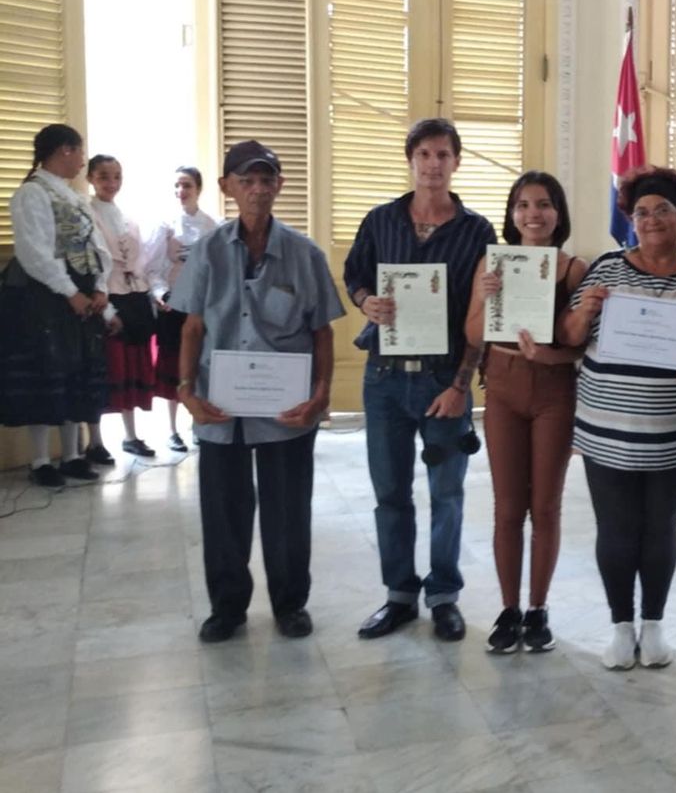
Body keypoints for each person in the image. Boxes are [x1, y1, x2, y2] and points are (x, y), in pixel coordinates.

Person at [169, 140, 343, 642]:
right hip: (219, 408)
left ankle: (290, 604)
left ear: (279, 187)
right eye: (247, 180)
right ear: (226, 187)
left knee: (288, 510)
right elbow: (192, 329)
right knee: (223, 512)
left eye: (267, 180)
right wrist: (186, 390)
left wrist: (321, 392)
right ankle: (227, 608)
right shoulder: (206, 252)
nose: (258, 189)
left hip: (286, 408)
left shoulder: (304, 254)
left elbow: (321, 332)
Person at [344, 117, 498, 642]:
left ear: (457, 162)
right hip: (384, 377)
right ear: (410, 160)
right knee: (390, 492)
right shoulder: (381, 220)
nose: (433, 165)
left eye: (443, 155)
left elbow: (482, 314)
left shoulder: (477, 232)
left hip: (442, 380)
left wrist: (461, 385)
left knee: (447, 493)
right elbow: (354, 276)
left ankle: (444, 596)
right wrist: (367, 301)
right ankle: (399, 595)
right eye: (424, 154)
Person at [559, 167, 676, 670]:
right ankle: (621, 626)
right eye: (641, 212)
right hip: (608, 427)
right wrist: (585, 311)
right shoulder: (605, 269)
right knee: (616, 528)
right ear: (630, 217)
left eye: (662, 210)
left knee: (660, 527)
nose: (651, 221)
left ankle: (654, 623)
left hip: (675, 429)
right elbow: (568, 338)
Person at [463, 170, 585, 654]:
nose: (534, 214)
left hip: (553, 390)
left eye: (544, 204)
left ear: (559, 214)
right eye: (523, 205)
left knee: (546, 506)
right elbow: (474, 334)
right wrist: (487, 297)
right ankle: (509, 608)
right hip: (504, 389)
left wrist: (548, 355)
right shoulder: (490, 265)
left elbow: (579, 347)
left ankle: (538, 609)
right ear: (511, 215)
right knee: (508, 507)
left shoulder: (575, 269)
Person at [0, 124, 114, 488]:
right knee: (45, 375)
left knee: (76, 373)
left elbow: (97, 247)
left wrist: (98, 287)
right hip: (44, 297)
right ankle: (39, 460)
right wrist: (69, 291)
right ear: (64, 150)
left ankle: (72, 455)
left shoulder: (72, 195)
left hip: (79, 293)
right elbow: (34, 253)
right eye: (79, 151)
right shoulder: (32, 194)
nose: (82, 160)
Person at [84, 154, 161, 461]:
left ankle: (131, 435)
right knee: (104, 370)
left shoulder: (127, 217)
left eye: (116, 176)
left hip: (133, 296)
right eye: (104, 176)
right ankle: (95, 440)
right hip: (104, 297)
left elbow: (140, 261)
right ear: (90, 178)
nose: (111, 183)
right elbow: (88, 263)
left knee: (130, 369)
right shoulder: (86, 213)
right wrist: (101, 304)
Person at [145, 167, 219, 453]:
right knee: (174, 367)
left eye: (186, 185)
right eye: (176, 185)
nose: (181, 191)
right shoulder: (164, 225)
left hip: (202, 306)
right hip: (173, 303)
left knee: (200, 365)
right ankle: (172, 430)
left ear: (198, 188)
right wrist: (160, 293)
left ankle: (198, 424)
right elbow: (151, 267)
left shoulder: (212, 226)